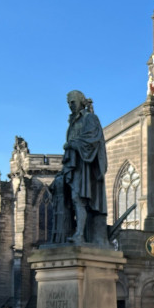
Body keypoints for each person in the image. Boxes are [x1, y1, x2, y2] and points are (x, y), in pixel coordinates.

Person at [62, 90, 108, 246]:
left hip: (86, 166)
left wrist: (72, 144)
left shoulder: (90, 118)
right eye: (68, 103)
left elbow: (92, 139)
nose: (70, 106)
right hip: (74, 164)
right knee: (72, 199)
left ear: (81, 101)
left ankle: (80, 235)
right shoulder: (73, 121)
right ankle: (78, 233)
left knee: (78, 198)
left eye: (72, 102)